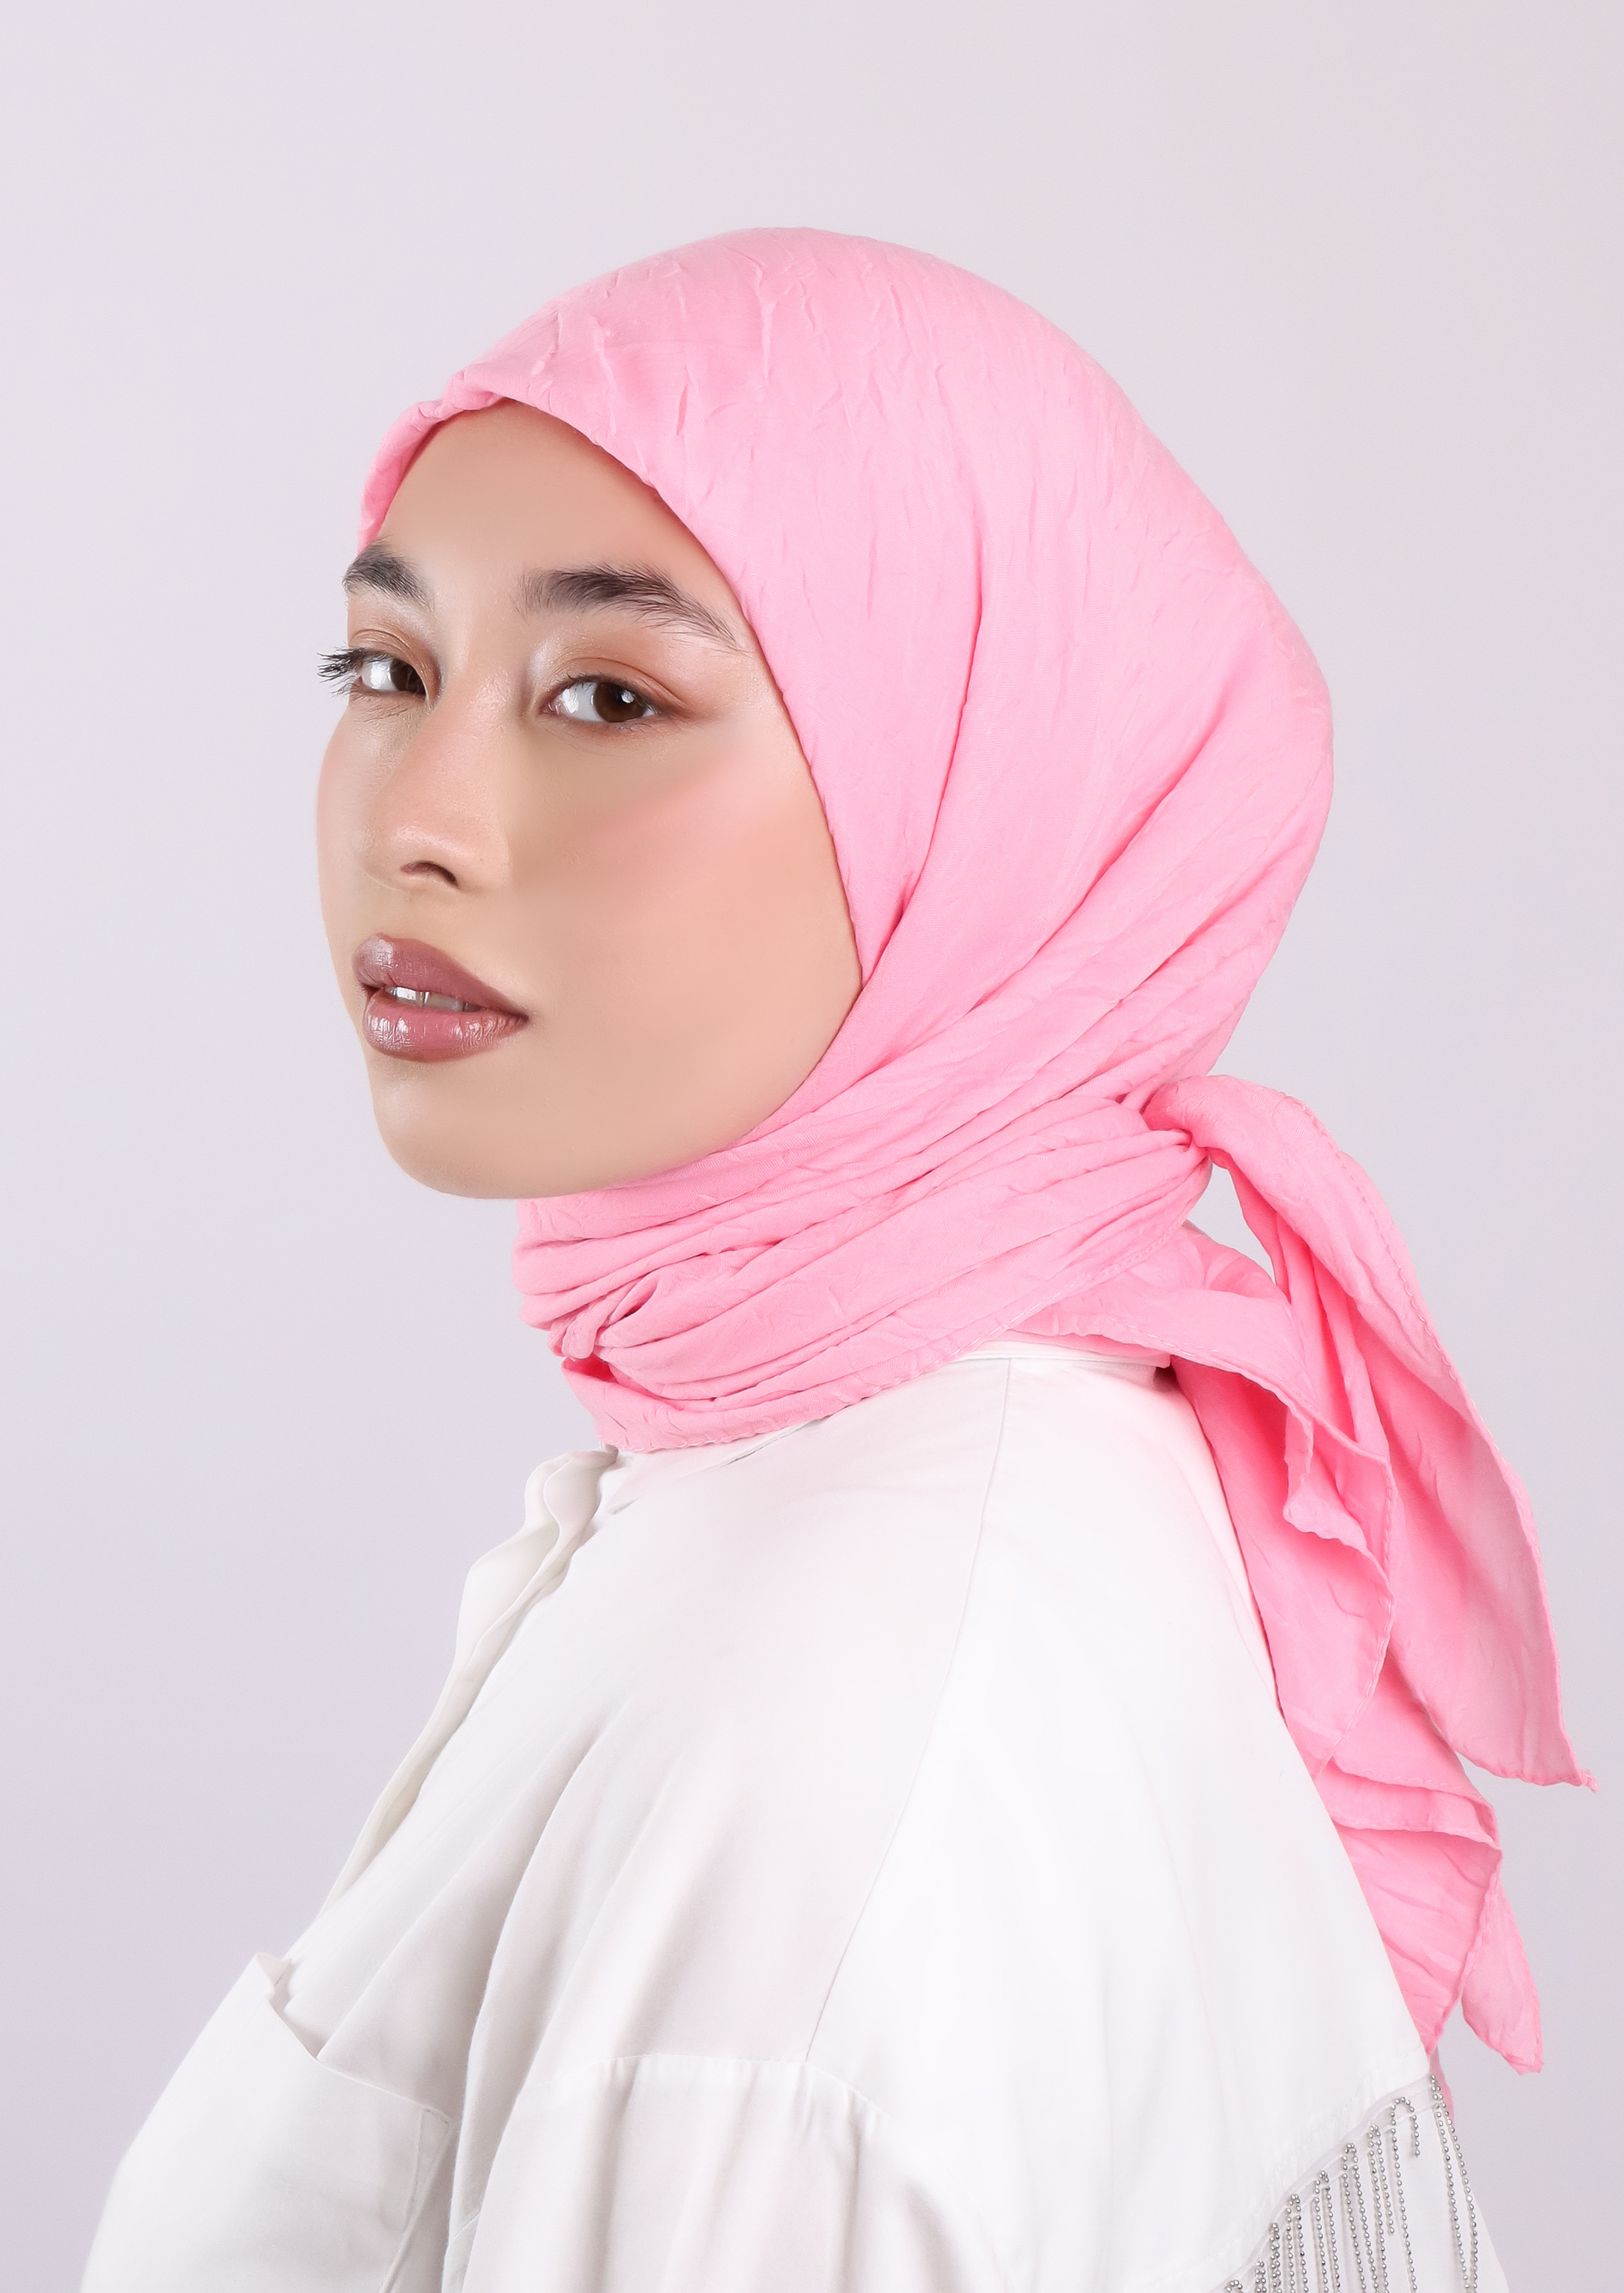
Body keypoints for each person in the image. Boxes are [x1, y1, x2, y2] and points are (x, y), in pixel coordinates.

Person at [82, 230, 1582, 2293]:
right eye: (385, 670)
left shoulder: (815, 1746)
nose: (416, 818)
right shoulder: (1018, 1458)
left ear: (980, 793)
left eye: (609, 695)